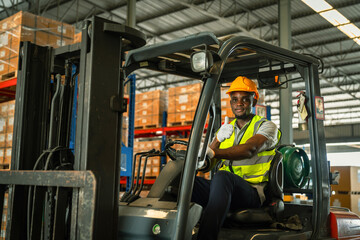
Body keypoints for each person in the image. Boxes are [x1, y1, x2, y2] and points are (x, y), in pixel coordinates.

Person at [191, 76, 281, 240]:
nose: (239, 104)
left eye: (245, 99)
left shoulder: (266, 126)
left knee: (223, 177)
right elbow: (207, 163)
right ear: (231, 102)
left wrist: (215, 152)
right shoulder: (225, 130)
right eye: (234, 99)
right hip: (223, 188)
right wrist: (217, 140)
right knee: (184, 182)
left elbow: (250, 149)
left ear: (254, 101)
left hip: (252, 192)